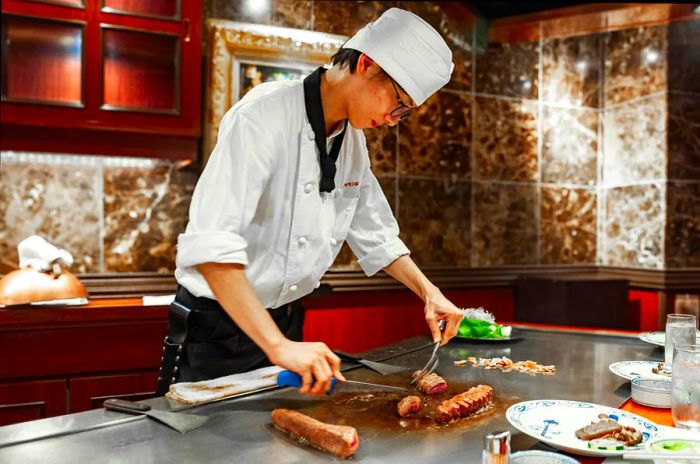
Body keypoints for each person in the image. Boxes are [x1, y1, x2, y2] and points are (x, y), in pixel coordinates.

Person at [156, 7, 464, 397]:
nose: (392, 119)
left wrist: (429, 293)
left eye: (403, 113)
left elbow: (376, 235)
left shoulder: (351, 142)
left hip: (286, 325)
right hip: (218, 330)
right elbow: (212, 247)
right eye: (398, 103)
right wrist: (278, 346)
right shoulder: (262, 115)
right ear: (366, 64)